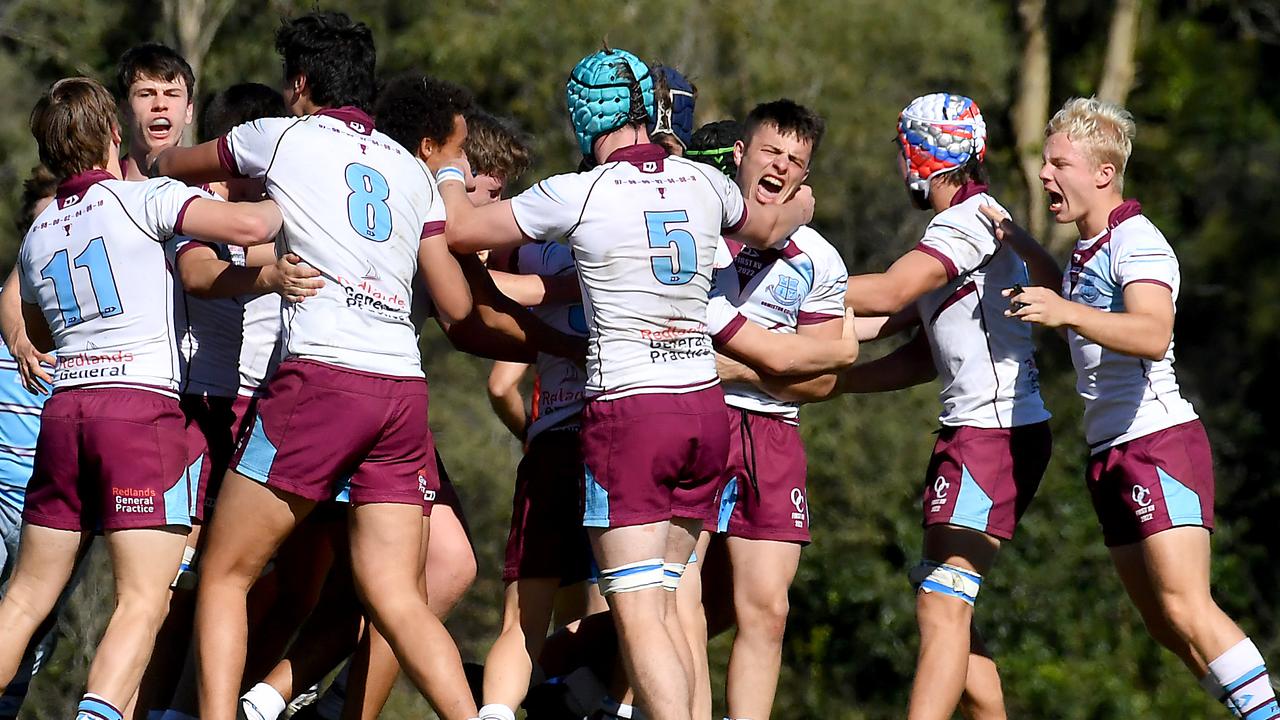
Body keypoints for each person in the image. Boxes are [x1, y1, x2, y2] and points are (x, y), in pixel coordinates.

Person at [436, 46, 852, 720]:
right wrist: (802, 203)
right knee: (670, 605)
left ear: (583, 120)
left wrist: (450, 163)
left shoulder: (578, 191)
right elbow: (772, 224)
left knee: (637, 618)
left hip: (630, 416)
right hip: (703, 412)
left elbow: (458, 229)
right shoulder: (703, 183)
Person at [149, 12, 479, 720]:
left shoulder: (283, 135)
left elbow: (184, 166)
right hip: (403, 388)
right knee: (396, 594)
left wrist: (154, 166)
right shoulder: (407, 167)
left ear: (299, 83)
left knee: (225, 575)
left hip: (323, 380)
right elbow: (448, 292)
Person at [0, 75, 280, 720]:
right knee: (143, 599)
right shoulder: (144, 199)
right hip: (138, 414)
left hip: (64, 412)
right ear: (109, 134)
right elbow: (247, 221)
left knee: (24, 598)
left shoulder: (38, 233)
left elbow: (38, 329)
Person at [992, 96, 1280, 720]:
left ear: (1102, 172)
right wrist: (1012, 237)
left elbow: (1151, 333)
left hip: (1158, 442)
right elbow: (1067, 286)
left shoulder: (1139, 241)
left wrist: (1064, 311)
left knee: (1186, 606)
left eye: (1058, 163)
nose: (1045, 174)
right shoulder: (1088, 247)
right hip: (1110, 452)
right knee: (1163, 623)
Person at [838, 92, 1054, 720]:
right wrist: (839, 380)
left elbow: (888, 291)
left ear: (918, 153)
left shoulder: (964, 222)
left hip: (992, 434)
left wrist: (787, 266)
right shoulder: (973, 219)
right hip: (976, 432)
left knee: (942, 604)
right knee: (950, 609)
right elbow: (914, 346)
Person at [702, 99, 848, 720]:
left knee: (767, 608)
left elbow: (820, 382)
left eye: (795, 160)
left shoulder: (819, 257)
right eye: (770, 151)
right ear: (740, 153)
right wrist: (776, 362)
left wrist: (740, 365)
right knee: (664, 590)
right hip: (695, 420)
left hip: (773, 435)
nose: (780, 167)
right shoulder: (698, 230)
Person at [0, 165, 57, 720]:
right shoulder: (2, 306)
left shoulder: (89, 322)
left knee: (32, 642)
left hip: (51, 513)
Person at [116, 44, 195, 182]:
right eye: (146, 94)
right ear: (125, 110)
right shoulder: (100, 193)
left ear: (189, 110)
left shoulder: (215, 196)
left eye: (172, 94)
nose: (160, 104)